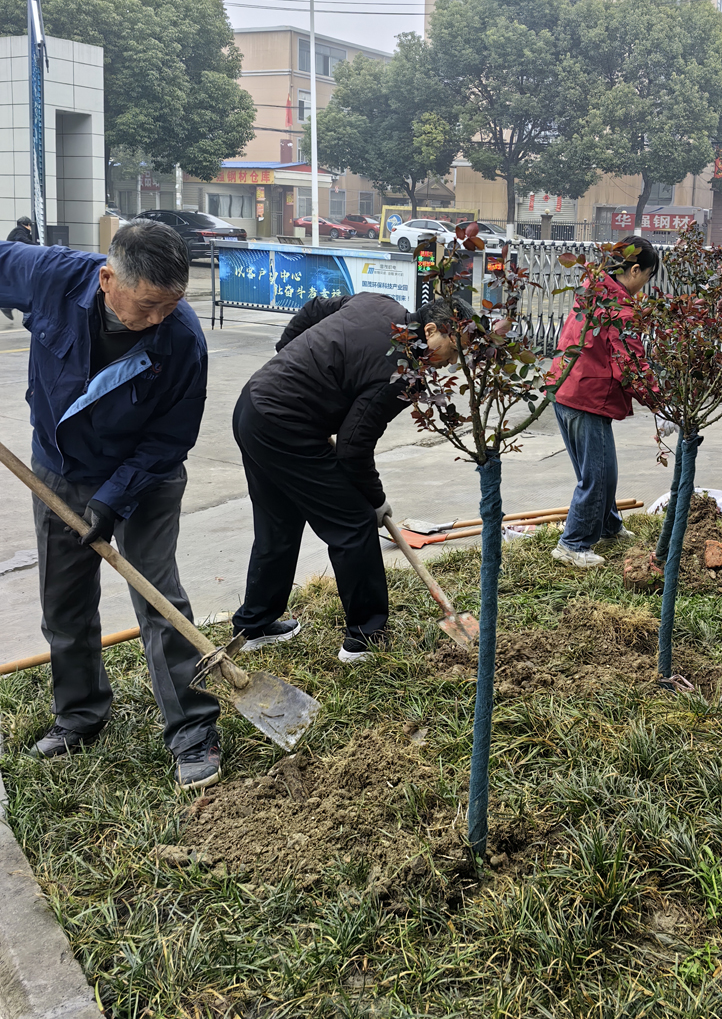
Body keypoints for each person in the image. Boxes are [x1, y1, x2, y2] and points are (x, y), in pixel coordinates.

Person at [0, 220, 222, 789]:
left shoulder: (182, 339)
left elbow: (170, 439)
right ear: (107, 279)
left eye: (170, 306)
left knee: (158, 597)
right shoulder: (52, 277)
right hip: (58, 467)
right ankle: (78, 715)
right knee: (63, 598)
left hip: (143, 475)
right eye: (148, 305)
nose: (158, 319)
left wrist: (113, 500)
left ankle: (193, 729)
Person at [231, 292, 463, 662]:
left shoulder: (377, 303)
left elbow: (312, 309)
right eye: (450, 352)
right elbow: (353, 449)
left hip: (253, 406)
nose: (449, 364)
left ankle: (255, 625)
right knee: (353, 524)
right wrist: (374, 499)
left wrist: (291, 362)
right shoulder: (404, 372)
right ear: (431, 329)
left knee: (279, 524)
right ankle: (365, 638)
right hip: (285, 425)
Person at [546, 235, 659, 568]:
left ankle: (608, 525)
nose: (645, 286)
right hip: (585, 396)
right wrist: (659, 404)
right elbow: (631, 364)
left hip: (569, 388)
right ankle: (573, 544)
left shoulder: (594, 286)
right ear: (635, 269)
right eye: (647, 277)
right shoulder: (619, 307)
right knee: (595, 475)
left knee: (603, 470)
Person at [2, 216, 36, 320]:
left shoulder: (18, 231)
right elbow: (22, 240)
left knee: (19, 286)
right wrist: (37, 246)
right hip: (15, 263)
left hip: (14, 263)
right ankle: (8, 306)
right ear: (27, 225)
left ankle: (9, 306)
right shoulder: (19, 231)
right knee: (23, 285)